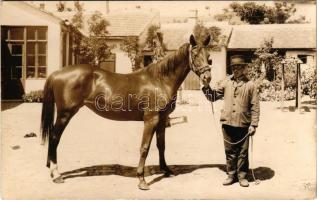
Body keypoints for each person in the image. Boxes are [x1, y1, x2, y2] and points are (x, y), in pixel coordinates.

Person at [202, 55, 260, 187]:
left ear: (244, 68)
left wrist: (253, 124)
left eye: (239, 67)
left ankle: (242, 176)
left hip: (243, 123)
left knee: (242, 153)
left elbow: (255, 107)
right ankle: (231, 175)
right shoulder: (226, 82)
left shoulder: (250, 85)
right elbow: (213, 96)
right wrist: (206, 87)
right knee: (230, 151)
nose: (236, 70)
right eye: (234, 67)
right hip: (227, 123)